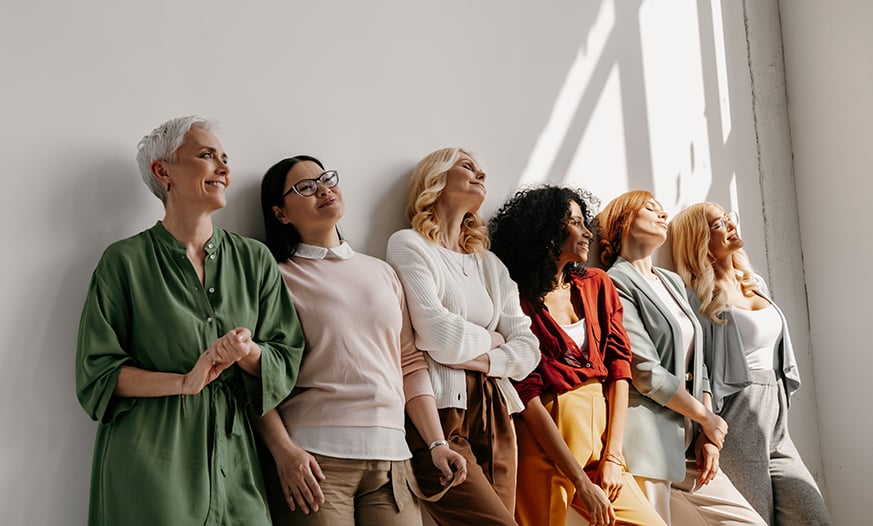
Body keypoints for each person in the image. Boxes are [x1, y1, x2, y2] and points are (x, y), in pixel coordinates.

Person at [75, 116, 306, 525]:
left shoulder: (254, 260)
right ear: (163, 172)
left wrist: (246, 352)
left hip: (235, 457)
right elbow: (97, 373)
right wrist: (183, 381)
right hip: (150, 458)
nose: (224, 168)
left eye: (225, 159)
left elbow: (285, 354)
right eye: (206, 155)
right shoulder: (124, 262)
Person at [255, 155, 467, 525]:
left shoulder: (382, 272)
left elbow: (409, 362)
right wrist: (284, 452)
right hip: (315, 462)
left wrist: (437, 444)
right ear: (281, 214)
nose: (322, 189)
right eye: (304, 187)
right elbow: (256, 374)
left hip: (392, 460)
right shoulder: (276, 277)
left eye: (325, 178)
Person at [488, 185, 666, 526]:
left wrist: (612, 457)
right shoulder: (518, 301)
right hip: (544, 442)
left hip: (599, 438)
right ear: (548, 232)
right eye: (575, 223)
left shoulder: (597, 284)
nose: (588, 232)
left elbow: (619, 368)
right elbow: (528, 395)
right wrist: (581, 483)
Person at [385, 147, 541, 526]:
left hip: (497, 412)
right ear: (436, 179)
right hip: (441, 413)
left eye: (483, 170)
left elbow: (528, 349)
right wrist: (492, 339)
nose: (480, 175)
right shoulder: (409, 245)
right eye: (467, 166)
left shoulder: (489, 264)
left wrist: (479, 358)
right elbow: (437, 333)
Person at [596, 190, 766, 525]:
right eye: (650, 209)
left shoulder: (671, 282)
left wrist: (707, 434)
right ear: (624, 223)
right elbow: (645, 371)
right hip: (646, 444)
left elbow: (698, 362)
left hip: (688, 445)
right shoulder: (615, 281)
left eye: (663, 209)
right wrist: (707, 418)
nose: (663, 215)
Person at [668, 203, 832, 525]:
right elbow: (701, 367)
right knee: (757, 518)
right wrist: (707, 430)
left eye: (729, 218)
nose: (730, 225)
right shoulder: (698, 297)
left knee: (812, 517)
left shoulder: (754, 282)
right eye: (719, 224)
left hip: (776, 415)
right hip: (738, 414)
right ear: (700, 239)